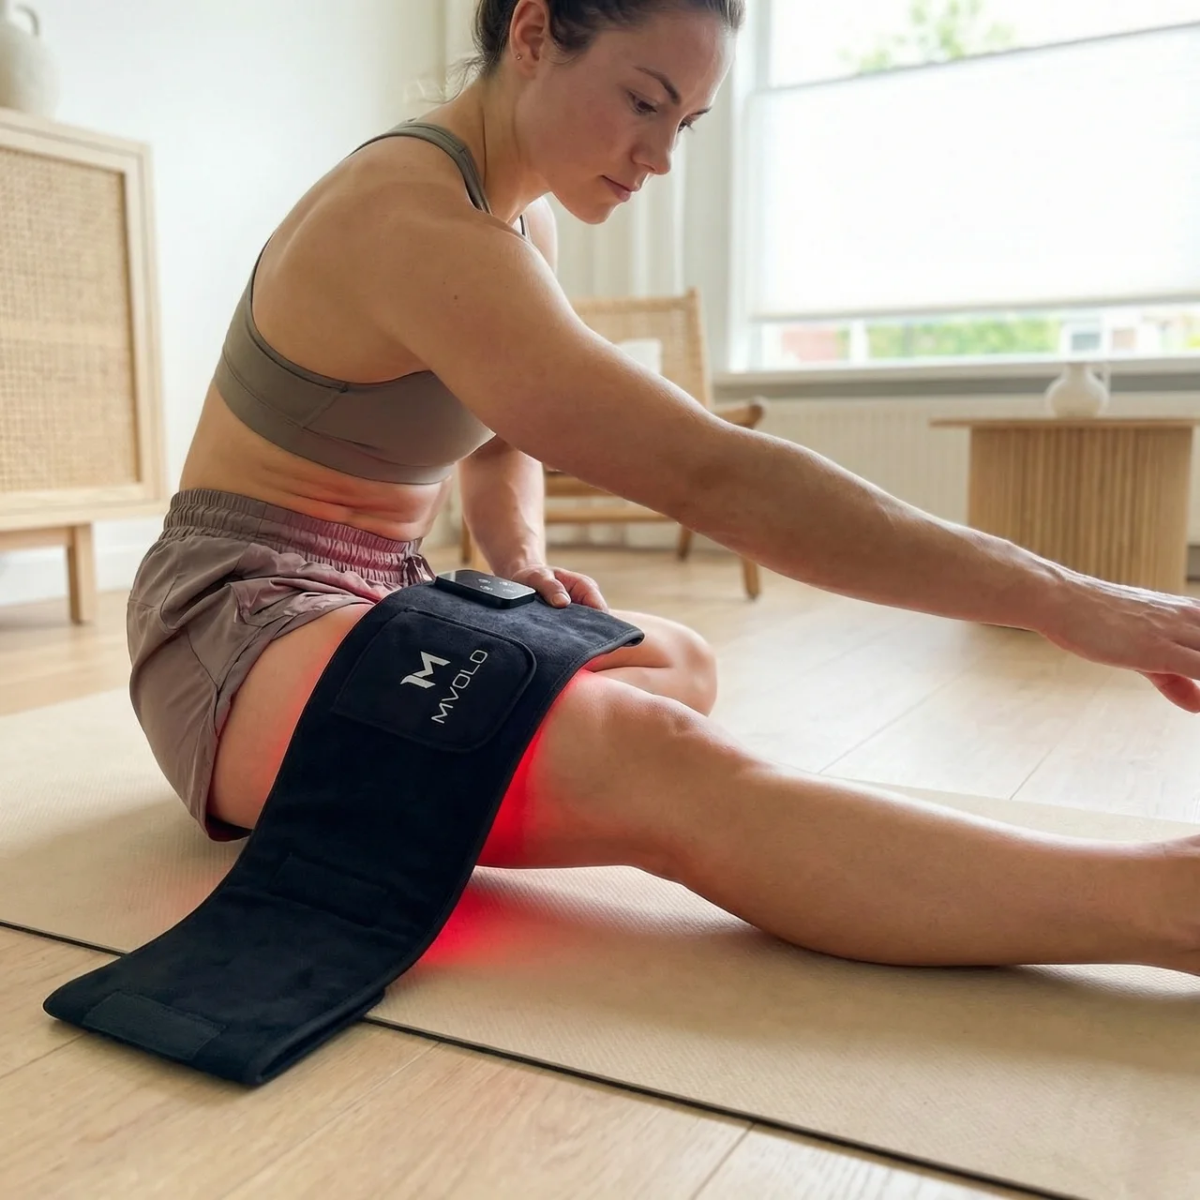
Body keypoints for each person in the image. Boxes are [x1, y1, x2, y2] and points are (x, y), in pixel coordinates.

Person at [128, 0, 1200, 978]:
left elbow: (496, 438)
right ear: (534, 34)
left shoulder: (521, 220)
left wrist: (517, 560)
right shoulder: (410, 216)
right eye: (643, 102)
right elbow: (714, 475)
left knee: (677, 664)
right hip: (236, 625)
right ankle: (1169, 905)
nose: (661, 156)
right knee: (660, 757)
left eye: (685, 121)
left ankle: (409, 777)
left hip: (383, 597)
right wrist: (1063, 598)